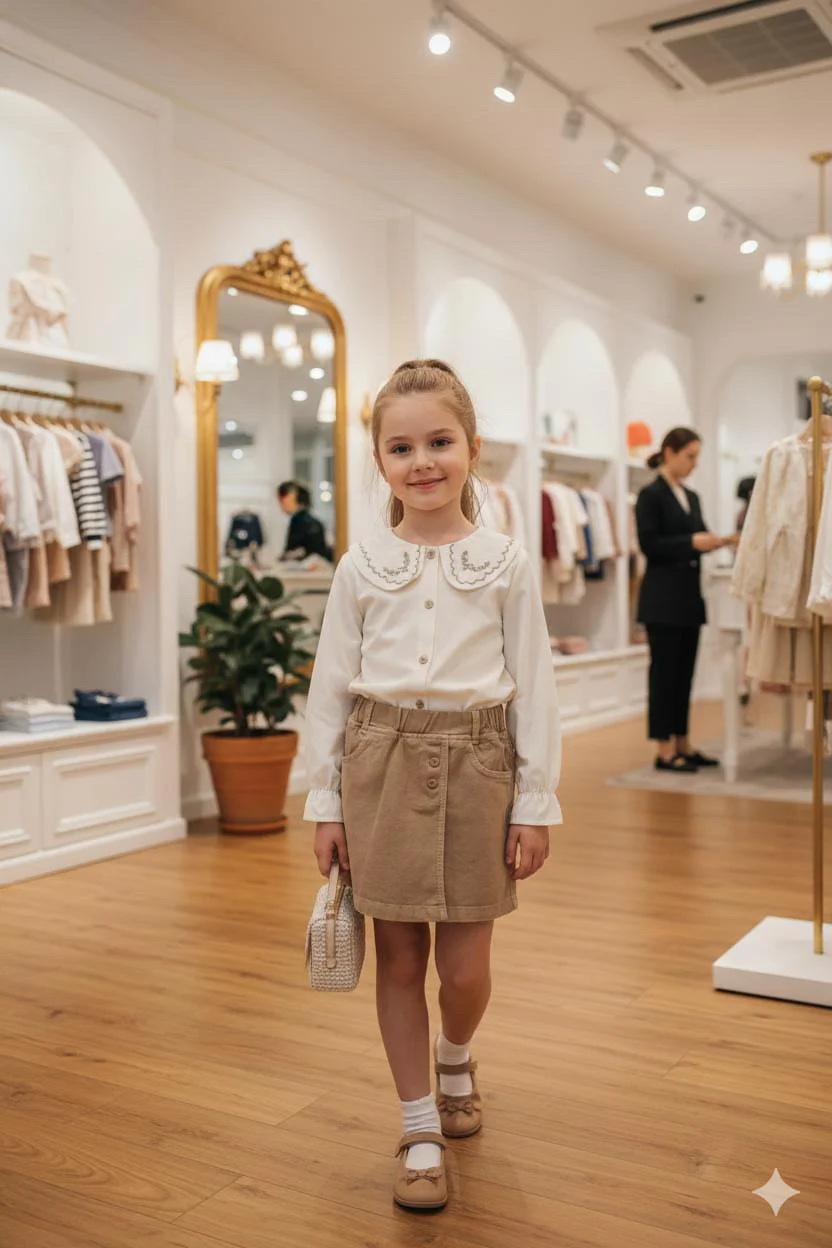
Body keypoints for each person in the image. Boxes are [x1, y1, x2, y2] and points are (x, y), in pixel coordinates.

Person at [302, 359, 562, 1213]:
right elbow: (329, 688)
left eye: (439, 442)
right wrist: (324, 801)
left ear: (472, 449)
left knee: (464, 966)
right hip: (377, 764)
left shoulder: (505, 564)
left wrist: (535, 801)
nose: (422, 462)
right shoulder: (360, 566)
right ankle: (418, 1124)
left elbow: (537, 687)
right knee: (399, 957)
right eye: (401, 446)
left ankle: (457, 1053)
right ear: (379, 459)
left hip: (479, 765)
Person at [636, 427, 732, 773]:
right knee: (664, 674)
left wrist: (717, 541)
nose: (693, 464)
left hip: (688, 597)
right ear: (670, 452)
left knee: (685, 674)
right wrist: (692, 542)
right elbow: (650, 544)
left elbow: (697, 534)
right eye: (690, 456)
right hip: (662, 599)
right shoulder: (650, 495)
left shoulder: (690, 496)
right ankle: (664, 750)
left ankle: (682, 742)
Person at [276, 480, 332, 561]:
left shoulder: (297, 521)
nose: (280, 505)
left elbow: (291, 552)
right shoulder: (315, 522)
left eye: (281, 500)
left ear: (290, 497)